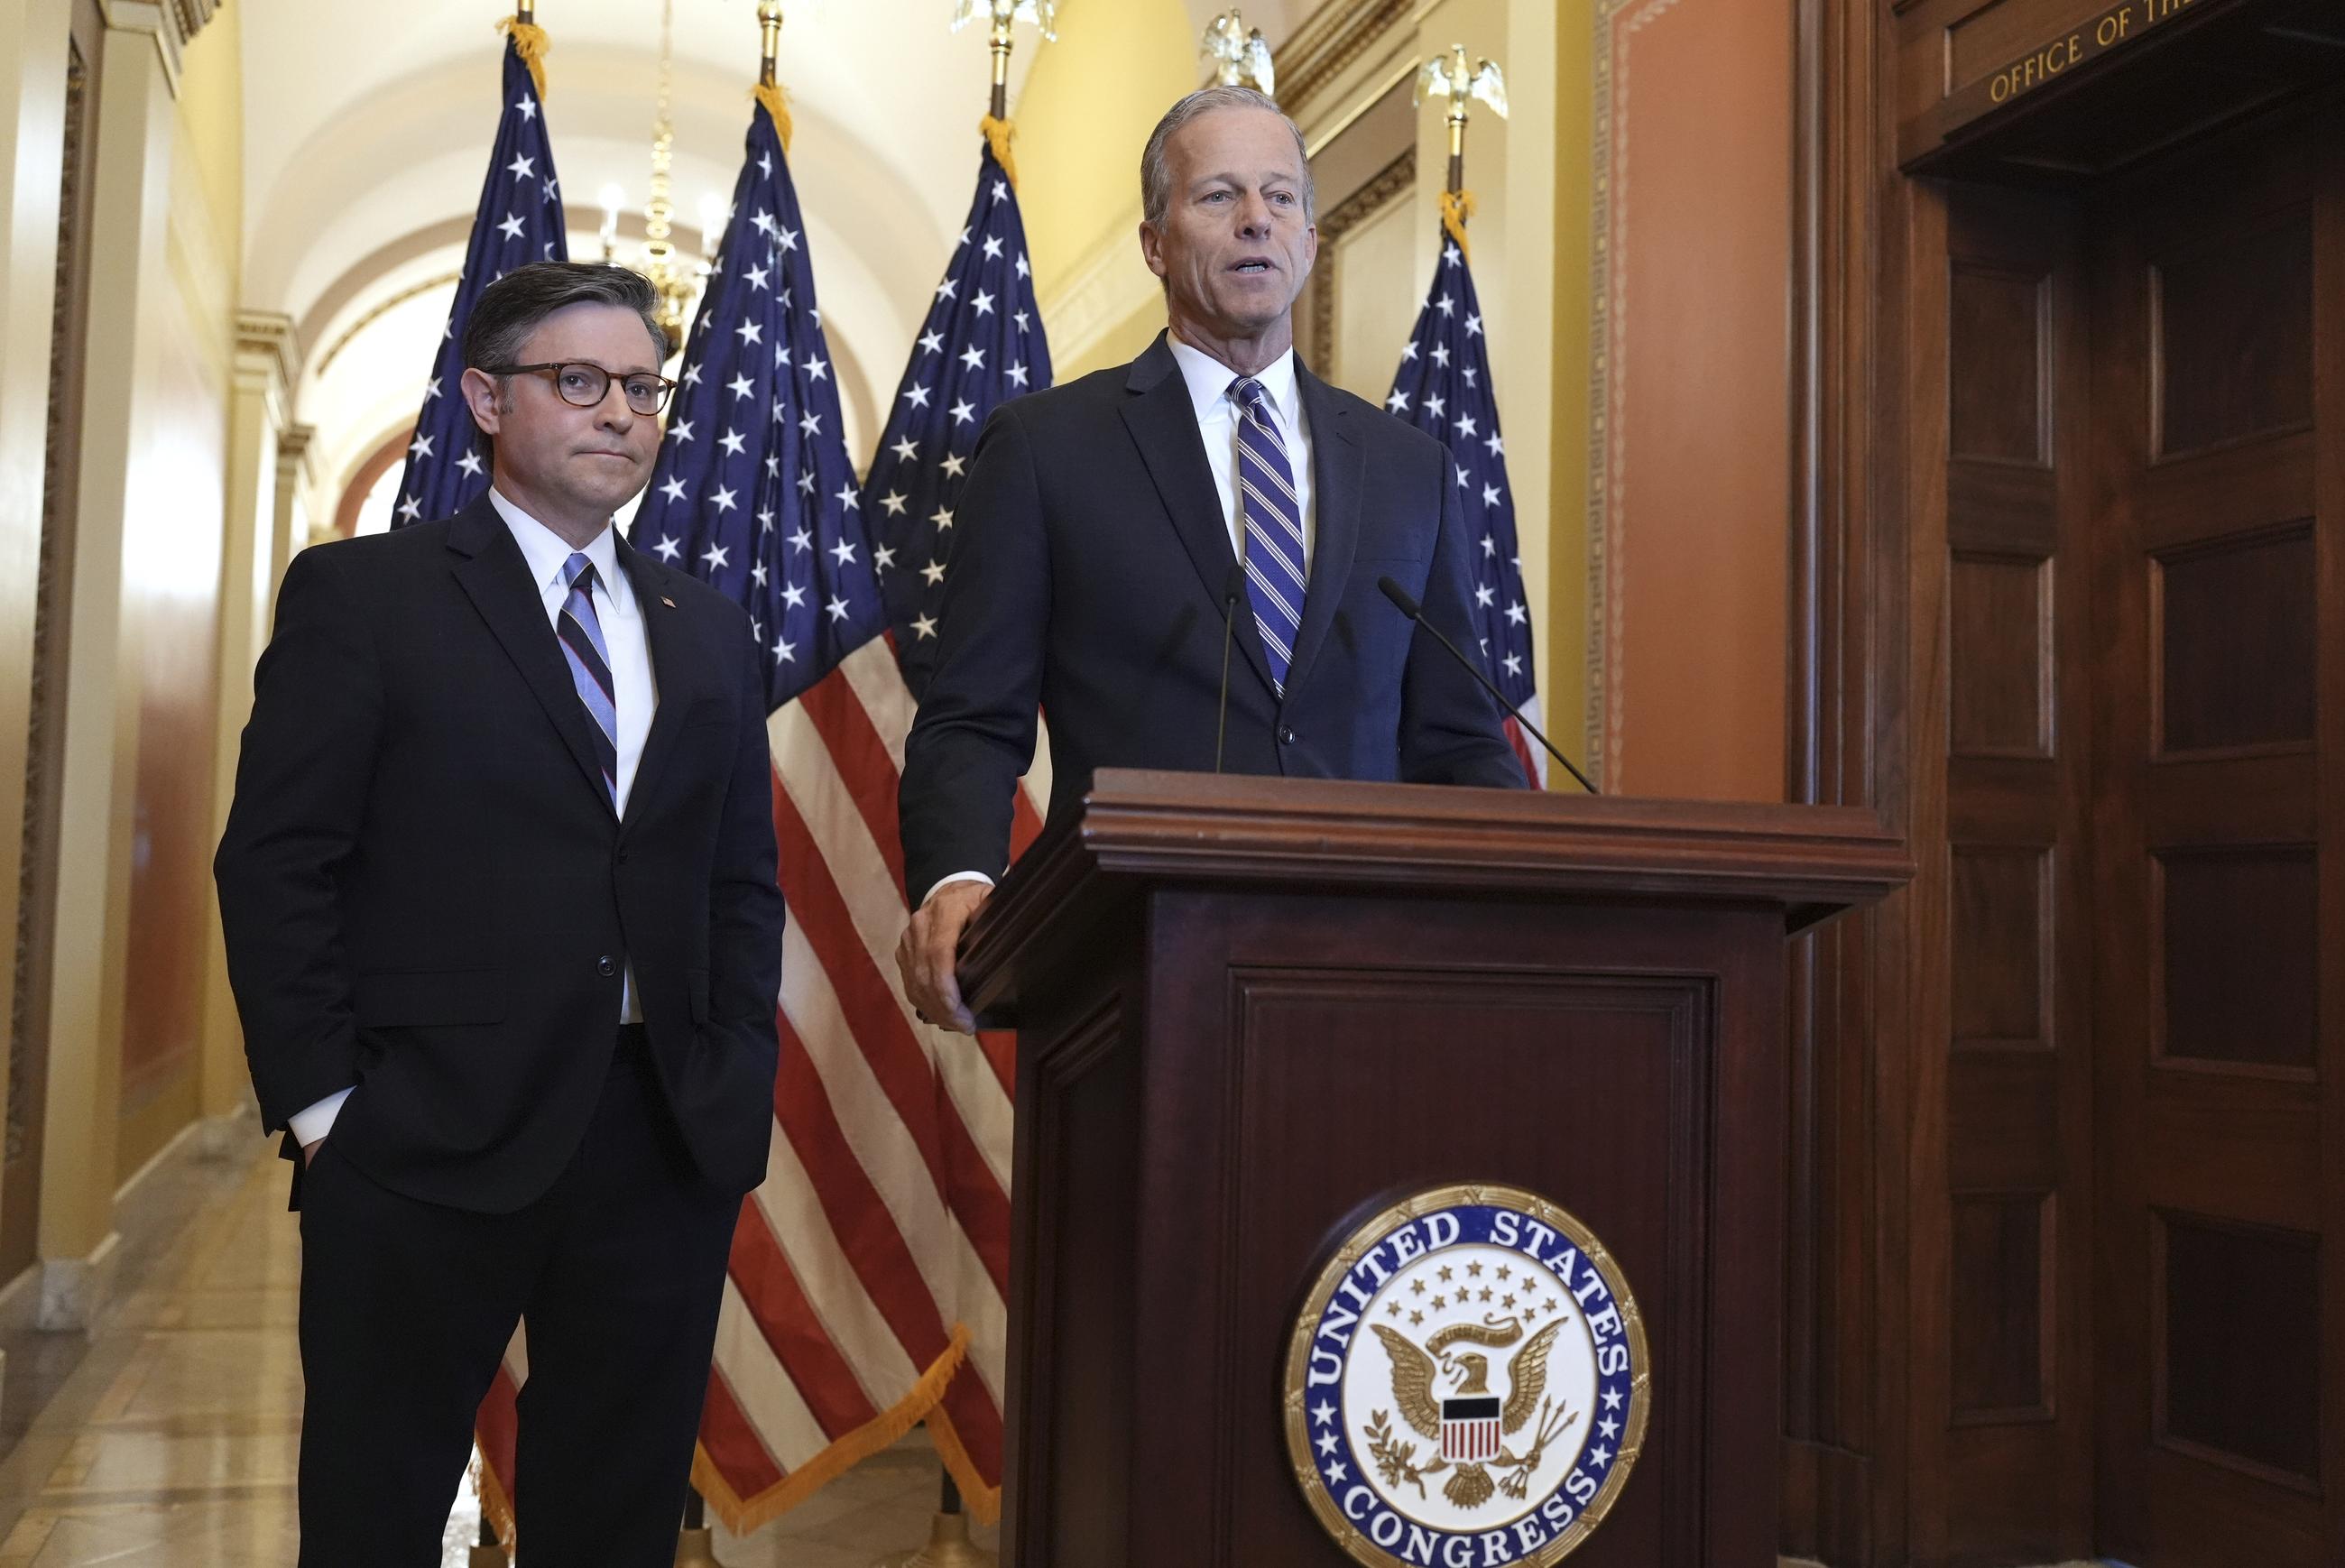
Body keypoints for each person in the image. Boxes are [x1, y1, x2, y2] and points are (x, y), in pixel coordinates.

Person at [214, 262, 785, 1565]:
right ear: (484, 398)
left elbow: (738, 883)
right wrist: (327, 1112)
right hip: (420, 1132)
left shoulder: (706, 628)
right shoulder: (366, 596)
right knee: (373, 1512)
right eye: (578, 381)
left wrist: (734, 1072)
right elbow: (277, 863)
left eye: (641, 386)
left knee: (614, 1519)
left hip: (661, 1137)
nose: (620, 411)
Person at [895, 86, 1525, 1031]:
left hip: (1371, 976)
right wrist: (958, 876)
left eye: (1280, 196)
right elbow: (973, 719)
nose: (1255, 220)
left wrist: (1523, 897)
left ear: (1309, 240)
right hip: (1129, 970)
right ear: (1155, 243)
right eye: (1219, 195)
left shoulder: (1409, 469)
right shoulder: (1046, 448)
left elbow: (1460, 741)